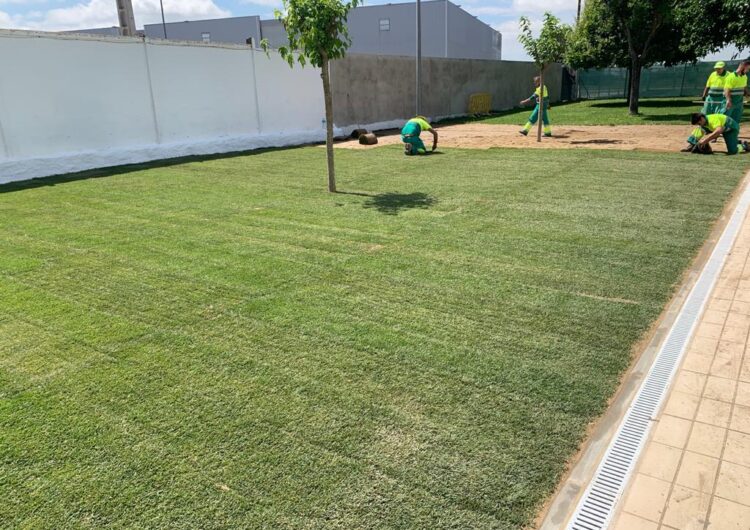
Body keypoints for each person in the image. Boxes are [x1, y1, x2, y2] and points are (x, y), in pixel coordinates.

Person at [685, 113, 749, 155]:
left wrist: (705, 141)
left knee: (732, 151)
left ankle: (744, 145)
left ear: (702, 119)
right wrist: (694, 143)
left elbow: (718, 131)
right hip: (719, 128)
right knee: (699, 129)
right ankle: (692, 144)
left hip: (730, 129)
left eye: (699, 123)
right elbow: (701, 130)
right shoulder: (704, 122)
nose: (699, 125)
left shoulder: (712, 120)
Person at [723, 60, 749, 127]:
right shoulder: (731, 76)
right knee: (725, 118)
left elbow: (744, 86)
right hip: (731, 100)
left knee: (736, 118)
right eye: (747, 69)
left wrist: (747, 93)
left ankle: (733, 132)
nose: (748, 71)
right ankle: (720, 131)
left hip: (739, 101)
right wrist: (728, 100)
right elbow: (727, 89)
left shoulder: (744, 76)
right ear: (742, 67)